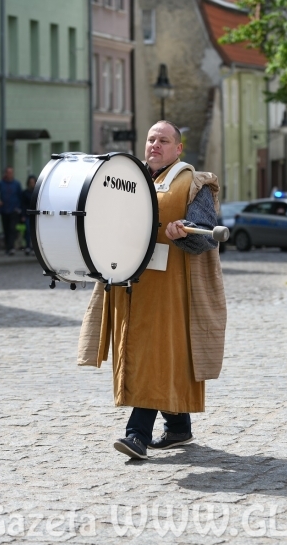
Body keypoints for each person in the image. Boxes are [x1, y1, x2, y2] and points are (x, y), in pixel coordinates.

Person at [78, 121, 227, 460]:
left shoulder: (193, 184)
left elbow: (203, 236)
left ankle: (136, 435)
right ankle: (178, 428)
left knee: (153, 359)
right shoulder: (127, 179)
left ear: (178, 149)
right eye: (151, 139)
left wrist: (184, 234)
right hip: (130, 290)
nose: (155, 145)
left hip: (172, 295)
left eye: (164, 140)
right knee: (152, 359)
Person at [0, 167, 23, 256]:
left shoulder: (16, 184)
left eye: (11, 172)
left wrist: (19, 208)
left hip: (14, 210)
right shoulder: (1, 183)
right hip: (4, 210)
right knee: (6, 229)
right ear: (5, 173)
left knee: (12, 228)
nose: (9, 174)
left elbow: (20, 196)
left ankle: (11, 247)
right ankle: (8, 248)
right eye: (8, 172)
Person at [21, 175, 37, 255]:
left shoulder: (38, 192)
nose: (32, 184)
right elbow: (23, 205)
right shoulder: (25, 193)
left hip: (36, 215)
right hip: (28, 214)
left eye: (33, 182)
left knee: (35, 232)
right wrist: (23, 215)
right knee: (28, 231)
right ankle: (28, 246)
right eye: (31, 182)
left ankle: (34, 247)